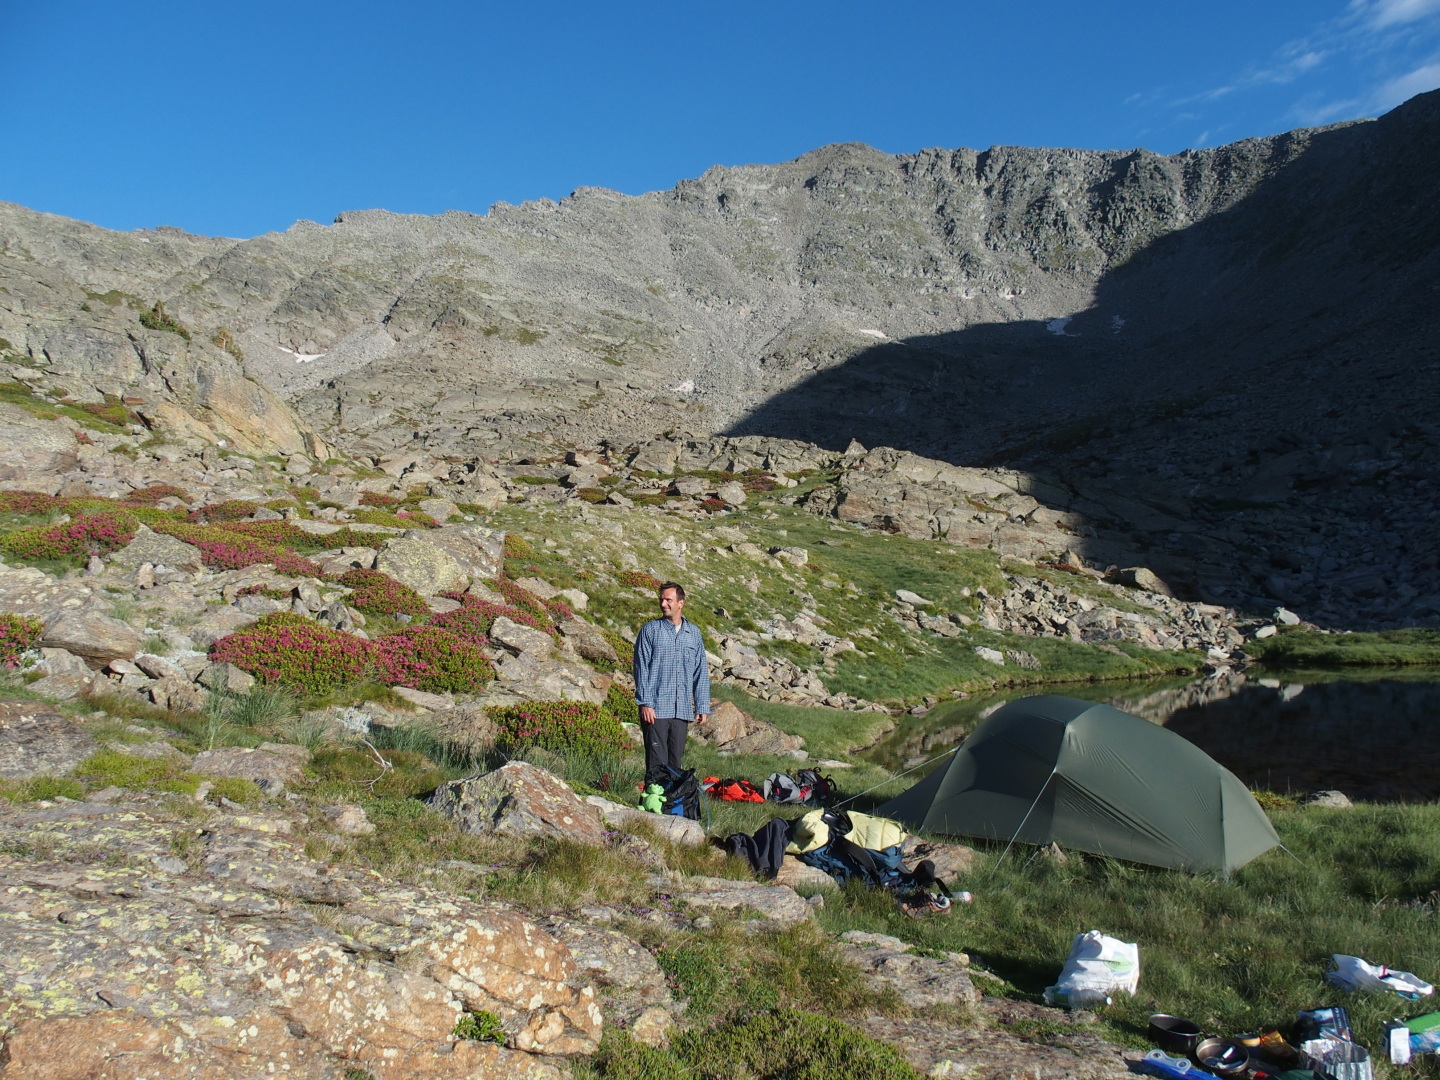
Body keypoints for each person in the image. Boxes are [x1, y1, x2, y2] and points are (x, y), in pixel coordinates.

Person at [633, 581, 710, 782]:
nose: (664, 604)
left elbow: (700, 671)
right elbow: (641, 669)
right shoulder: (650, 630)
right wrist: (646, 703)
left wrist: (702, 705)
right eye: (661, 600)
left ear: (680, 603)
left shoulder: (693, 634)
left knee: (675, 765)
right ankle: (652, 809)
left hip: (682, 710)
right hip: (656, 710)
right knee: (657, 764)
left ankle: (671, 807)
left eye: (668, 600)